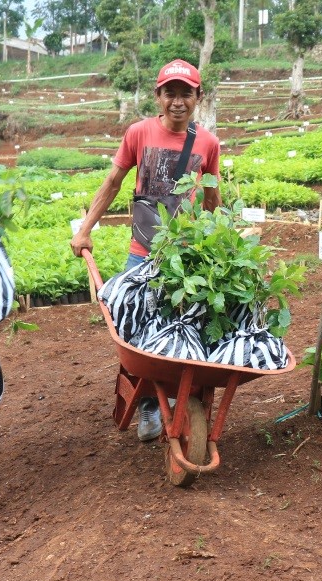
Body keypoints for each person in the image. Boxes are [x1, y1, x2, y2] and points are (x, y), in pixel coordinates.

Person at [70, 59, 221, 442]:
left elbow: (211, 198)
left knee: (183, 328)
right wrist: (84, 230)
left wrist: (220, 244)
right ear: (158, 96)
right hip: (142, 252)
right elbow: (113, 182)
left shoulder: (208, 143)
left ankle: (180, 393)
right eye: (170, 93)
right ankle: (151, 403)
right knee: (137, 329)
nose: (177, 101)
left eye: (186, 93)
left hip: (186, 256)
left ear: (198, 97)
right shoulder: (139, 133)